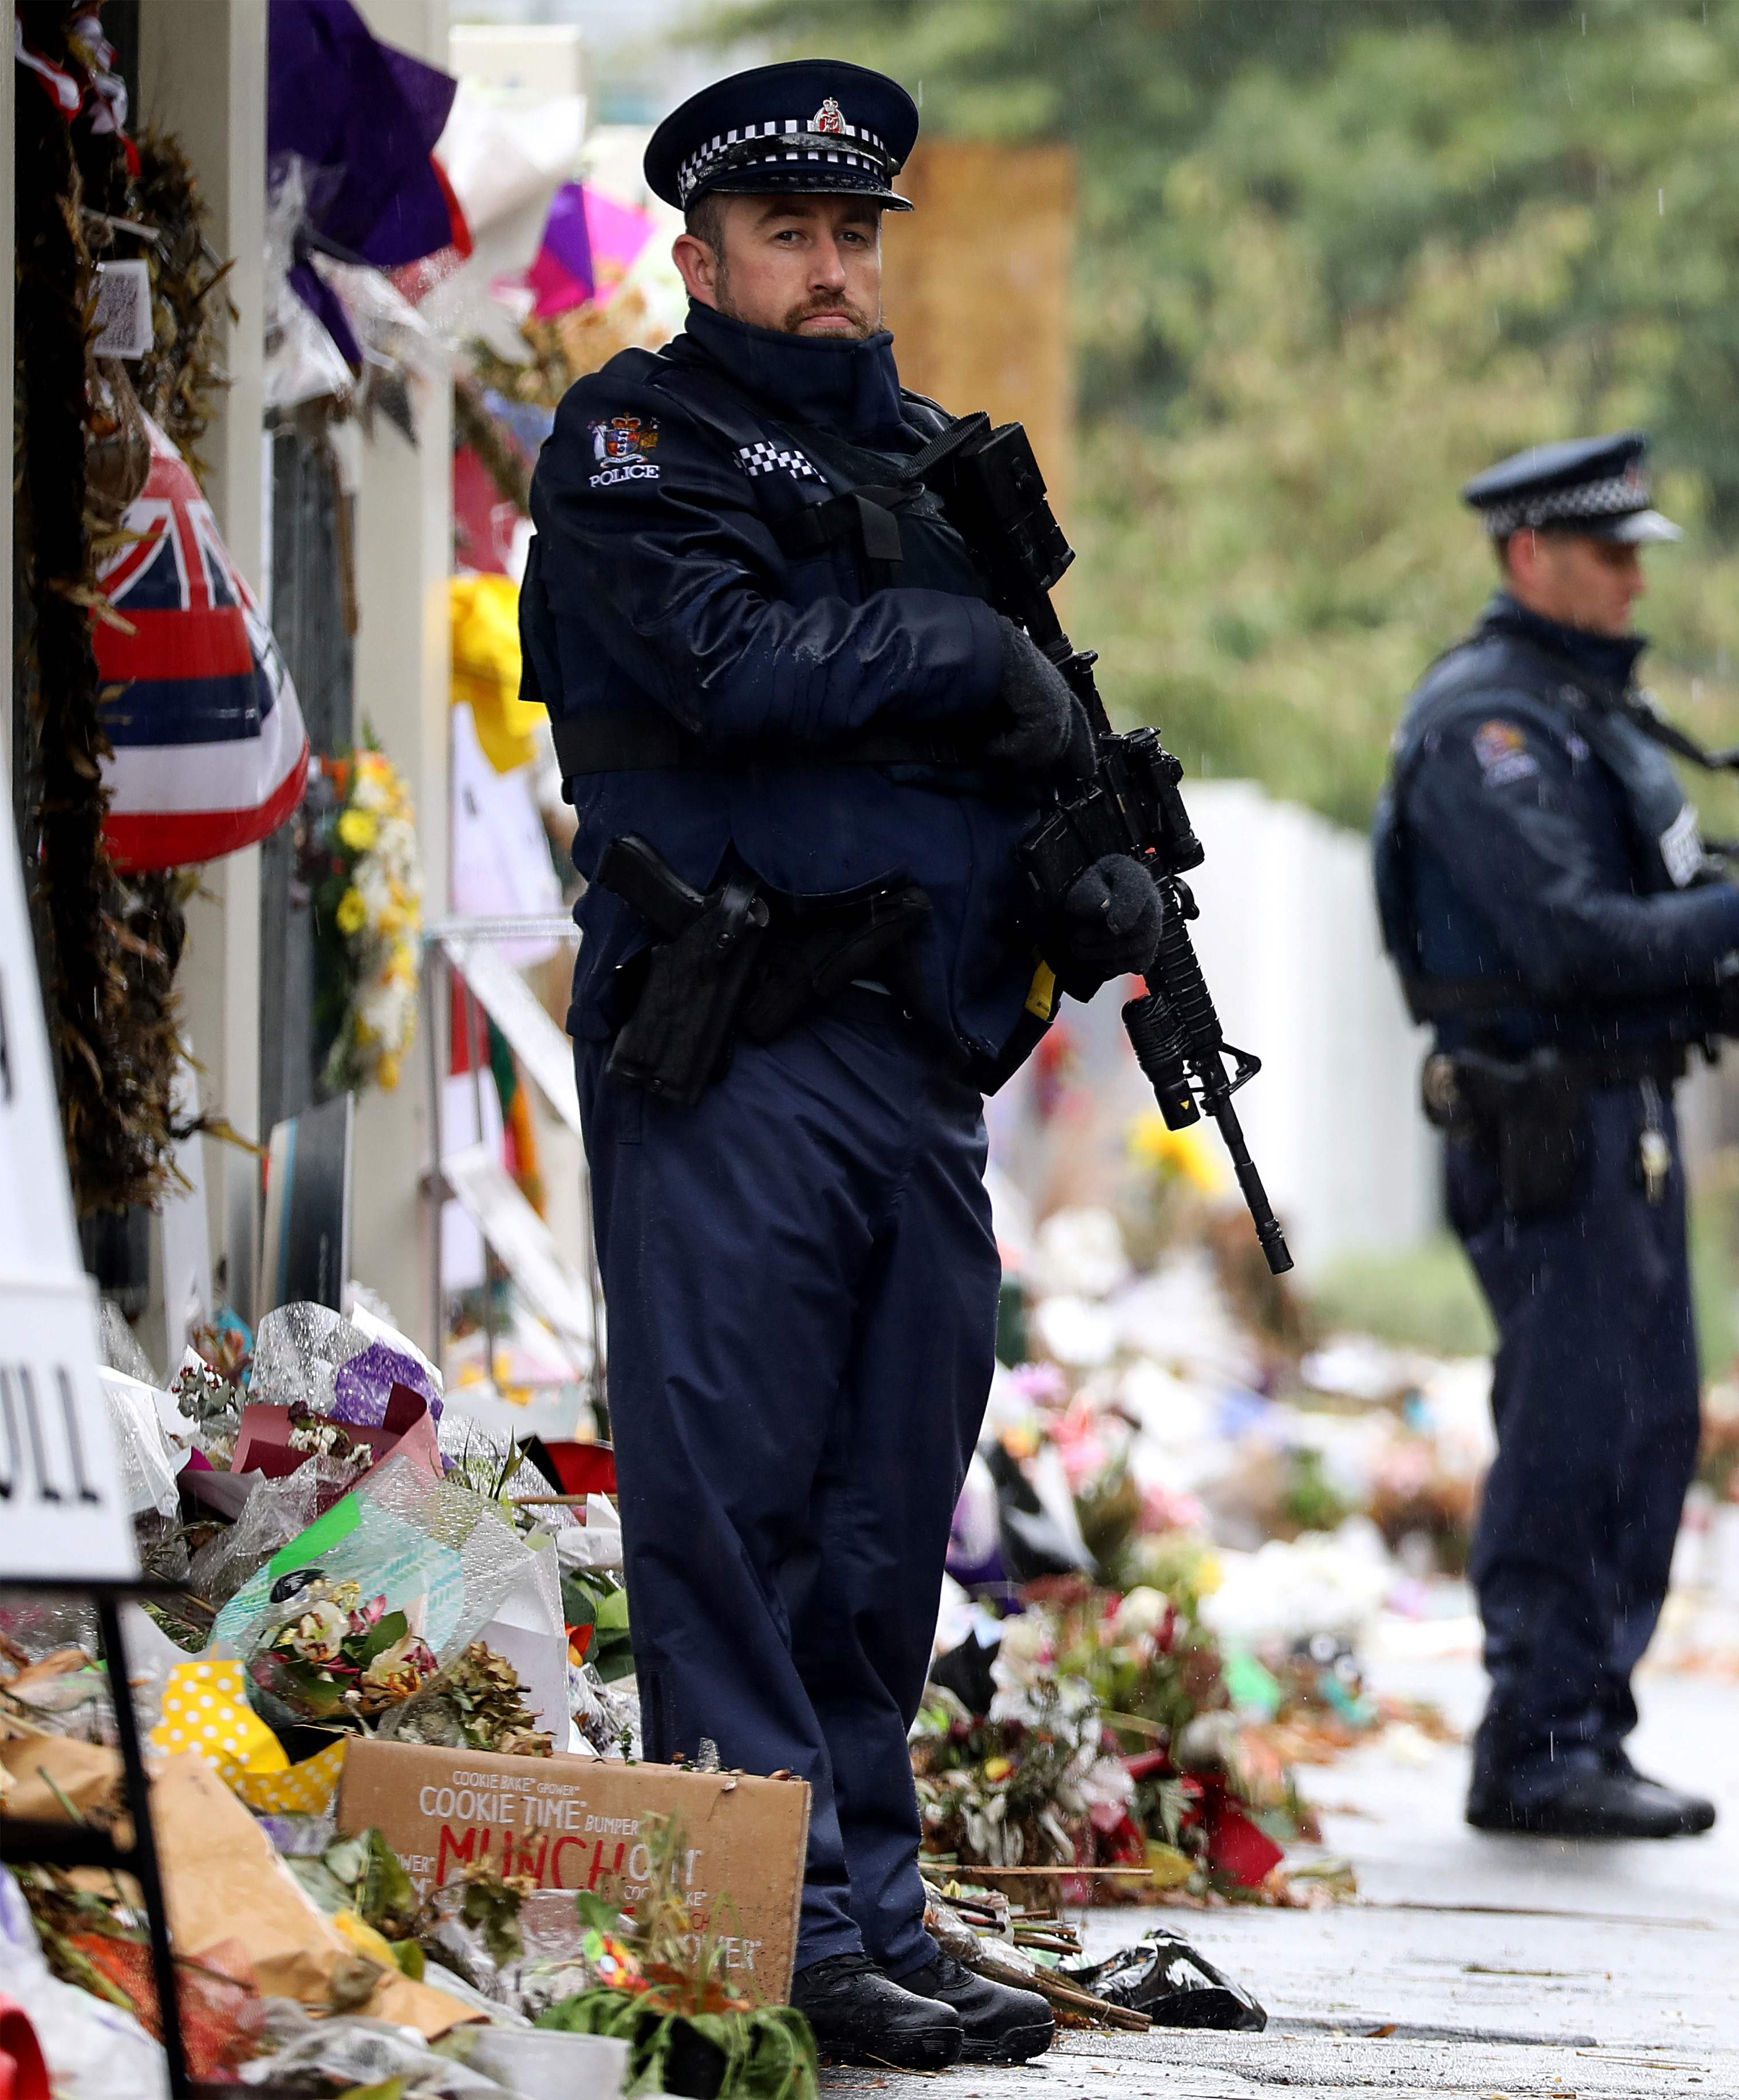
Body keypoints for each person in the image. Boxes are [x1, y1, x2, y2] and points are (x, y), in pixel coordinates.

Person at [519, 60, 1159, 2069]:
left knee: (889, 1512)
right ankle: (767, 1923)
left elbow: (1026, 732)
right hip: (732, 1047)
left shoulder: (946, 473)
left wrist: (1094, 879)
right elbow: (725, 668)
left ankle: (868, 1904)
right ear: (702, 254)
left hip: (913, 1066)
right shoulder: (638, 441)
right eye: (788, 235)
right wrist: (962, 669)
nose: (828, 268)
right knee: (736, 1503)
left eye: (853, 234)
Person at [1371, 434, 1739, 1840]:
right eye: (1610, 551)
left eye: (1639, 551)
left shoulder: (1588, 710)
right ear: (1528, 557)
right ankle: (1534, 1736)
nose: (1637, 576)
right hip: (1541, 1121)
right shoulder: (1489, 726)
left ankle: (1588, 1721)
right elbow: (1565, 938)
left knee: (1643, 1427)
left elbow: (1643, 925)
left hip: (1616, 1113)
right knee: (1569, 1426)